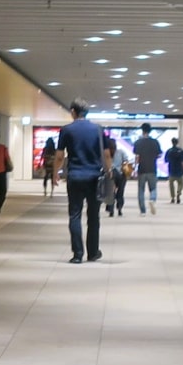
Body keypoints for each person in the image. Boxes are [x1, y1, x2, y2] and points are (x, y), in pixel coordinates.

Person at [58, 100, 110, 264]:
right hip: (95, 177)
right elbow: (106, 154)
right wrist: (109, 172)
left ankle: (77, 254)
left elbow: (60, 156)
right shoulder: (98, 129)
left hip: (75, 176)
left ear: (73, 111)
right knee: (93, 216)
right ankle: (93, 252)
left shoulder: (66, 130)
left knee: (75, 215)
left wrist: (54, 174)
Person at [132, 123, 162, 215]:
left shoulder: (138, 142)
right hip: (152, 169)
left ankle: (142, 211)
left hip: (142, 169)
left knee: (141, 190)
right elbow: (159, 155)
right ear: (150, 130)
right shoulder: (155, 142)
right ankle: (152, 199)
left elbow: (137, 157)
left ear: (142, 130)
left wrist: (135, 168)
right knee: (153, 188)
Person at [165, 138, 183, 204]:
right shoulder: (181, 151)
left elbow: (166, 160)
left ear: (171, 142)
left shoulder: (169, 151)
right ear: (177, 142)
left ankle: (172, 198)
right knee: (180, 183)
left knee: (171, 185)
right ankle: (178, 193)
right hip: (179, 170)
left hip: (171, 170)